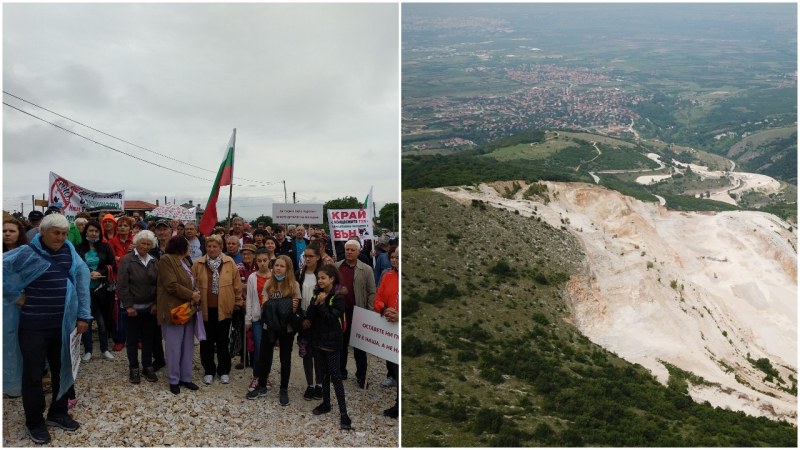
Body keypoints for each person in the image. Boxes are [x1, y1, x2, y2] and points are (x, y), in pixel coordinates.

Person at [3, 213, 92, 444]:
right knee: (32, 376)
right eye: (56, 233)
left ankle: (58, 412)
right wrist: (14, 295)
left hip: (64, 326)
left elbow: (82, 282)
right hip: (33, 327)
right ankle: (34, 422)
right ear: (42, 232)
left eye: (64, 234)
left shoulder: (70, 252)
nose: (61, 238)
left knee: (63, 371)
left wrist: (84, 315)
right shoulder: (26, 253)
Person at [246, 255, 301, 406]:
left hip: (286, 328)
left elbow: (294, 306)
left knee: (285, 359)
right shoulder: (269, 283)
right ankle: (262, 385)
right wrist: (281, 306)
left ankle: (283, 389)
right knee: (264, 356)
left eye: (282, 266)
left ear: (288, 269)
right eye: (276, 265)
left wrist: (277, 308)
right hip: (268, 326)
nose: (278, 268)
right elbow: (265, 305)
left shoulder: (293, 285)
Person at [306, 264, 352, 430]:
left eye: (323, 278)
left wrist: (322, 304)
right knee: (323, 374)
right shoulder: (317, 294)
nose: (320, 281)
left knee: (336, 377)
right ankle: (326, 402)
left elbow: (331, 319)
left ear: (332, 279)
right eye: (319, 278)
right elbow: (310, 316)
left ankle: (344, 413)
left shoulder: (338, 297)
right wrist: (316, 302)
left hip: (332, 343)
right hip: (319, 341)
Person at [193, 234, 243, 385]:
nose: (212, 249)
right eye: (209, 246)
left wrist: (238, 301)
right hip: (205, 308)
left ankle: (223, 370)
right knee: (206, 341)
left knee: (223, 341)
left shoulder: (229, 262)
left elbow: (237, 285)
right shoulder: (198, 264)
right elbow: (193, 284)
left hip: (224, 308)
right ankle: (209, 370)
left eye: (215, 246)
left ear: (221, 248)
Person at [157, 236, 202, 395]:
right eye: (188, 245)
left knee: (187, 346)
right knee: (174, 347)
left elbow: (190, 280)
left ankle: (186, 377)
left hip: (188, 310)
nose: (190, 247)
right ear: (181, 246)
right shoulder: (166, 260)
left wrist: (195, 293)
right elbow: (171, 285)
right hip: (174, 309)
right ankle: (174, 379)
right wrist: (191, 295)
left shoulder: (187, 261)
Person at [117, 230, 159, 384]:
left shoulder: (154, 261)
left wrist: (156, 303)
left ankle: (147, 366)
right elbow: (122, 285)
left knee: (148, 339)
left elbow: (158, 284)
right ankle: (133, 367)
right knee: (133, 340)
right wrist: (128, 305)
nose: (146, 246)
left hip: (149, 308)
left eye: (149, 244)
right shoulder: (127, 260)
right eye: (143, 243)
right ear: (137, 243)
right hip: (132, 309)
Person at [334, 239, 376, 388]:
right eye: (347, 249)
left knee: (359, 346)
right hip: (341, 313)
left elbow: (372, 292)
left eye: (352, 250)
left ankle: (361, 375)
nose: (349, 252)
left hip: (359, 312)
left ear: (358, 252)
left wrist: (370, 312)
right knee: (341, 344)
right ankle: (340, 371)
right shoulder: (337, 266)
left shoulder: (366, 269)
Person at [75, 220, 117, 362]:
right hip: (84, 290)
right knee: (85, 319)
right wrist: (88, 272)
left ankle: (104, 349)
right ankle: (88, 350)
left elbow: (112, 264)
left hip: (102, 289)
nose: (93, 234)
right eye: (91, 230)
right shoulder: (78, 248)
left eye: (96, 231)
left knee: (102, 320)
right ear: (85, 231)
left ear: (100, 233)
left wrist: (100, 271)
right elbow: (74, 265)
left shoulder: (106, 247)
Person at [374, 246, 399, 418]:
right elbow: (378, 299)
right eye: (393, 257)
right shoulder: (388, 276)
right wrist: (384, 310)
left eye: (398, 257)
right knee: (395, 367)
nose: (394, 260)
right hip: (390, 329)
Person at [297, 242, 324, 401]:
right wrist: (302, 318)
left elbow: (338, 289)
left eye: (310, 256)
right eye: (305, 256)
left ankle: (320, 384)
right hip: (303, 319)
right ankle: (310, 385)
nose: (307, 259)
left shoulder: (324, 273)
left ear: (318, 257)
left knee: (318, 353)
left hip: (319, 320)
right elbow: (294, 296)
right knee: (306, 353)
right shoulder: (298, 273)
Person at [245, 248, 272, 392]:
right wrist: (247, 319)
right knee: (259, 347)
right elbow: (249, 299)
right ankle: (256, 376)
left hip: (271, 318)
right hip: (257, 317)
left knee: (269, 348)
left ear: (269, 260)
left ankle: (265, 376)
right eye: (259, 261)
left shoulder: (275, 275)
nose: (262, 263)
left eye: (265, 260)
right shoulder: (252, 277)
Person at [109, 215, 135, 351]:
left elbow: (137, 260)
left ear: (130, 228)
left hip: (134, 280)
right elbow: (113, 262)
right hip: (119, 280)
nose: (122, 228)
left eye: (125, 225)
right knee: (120, 312)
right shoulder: (112, 242)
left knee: (136, 309)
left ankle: (138, 338)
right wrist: (126, 258)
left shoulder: (135, 241)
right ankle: (120, 339)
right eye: (120, 225)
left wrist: (121, 258)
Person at [234, 244, 257, 370]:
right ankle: (243, 358)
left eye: (249, 254)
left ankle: (254, 358)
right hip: (242, 304)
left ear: (254, 255)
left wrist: (245, 286)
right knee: (242, 331)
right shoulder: (237, 267)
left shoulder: (258, 267)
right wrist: (241, 300)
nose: (246, 256)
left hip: (256, 305)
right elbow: (236, 285)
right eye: (244, 254)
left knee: (254, 332)